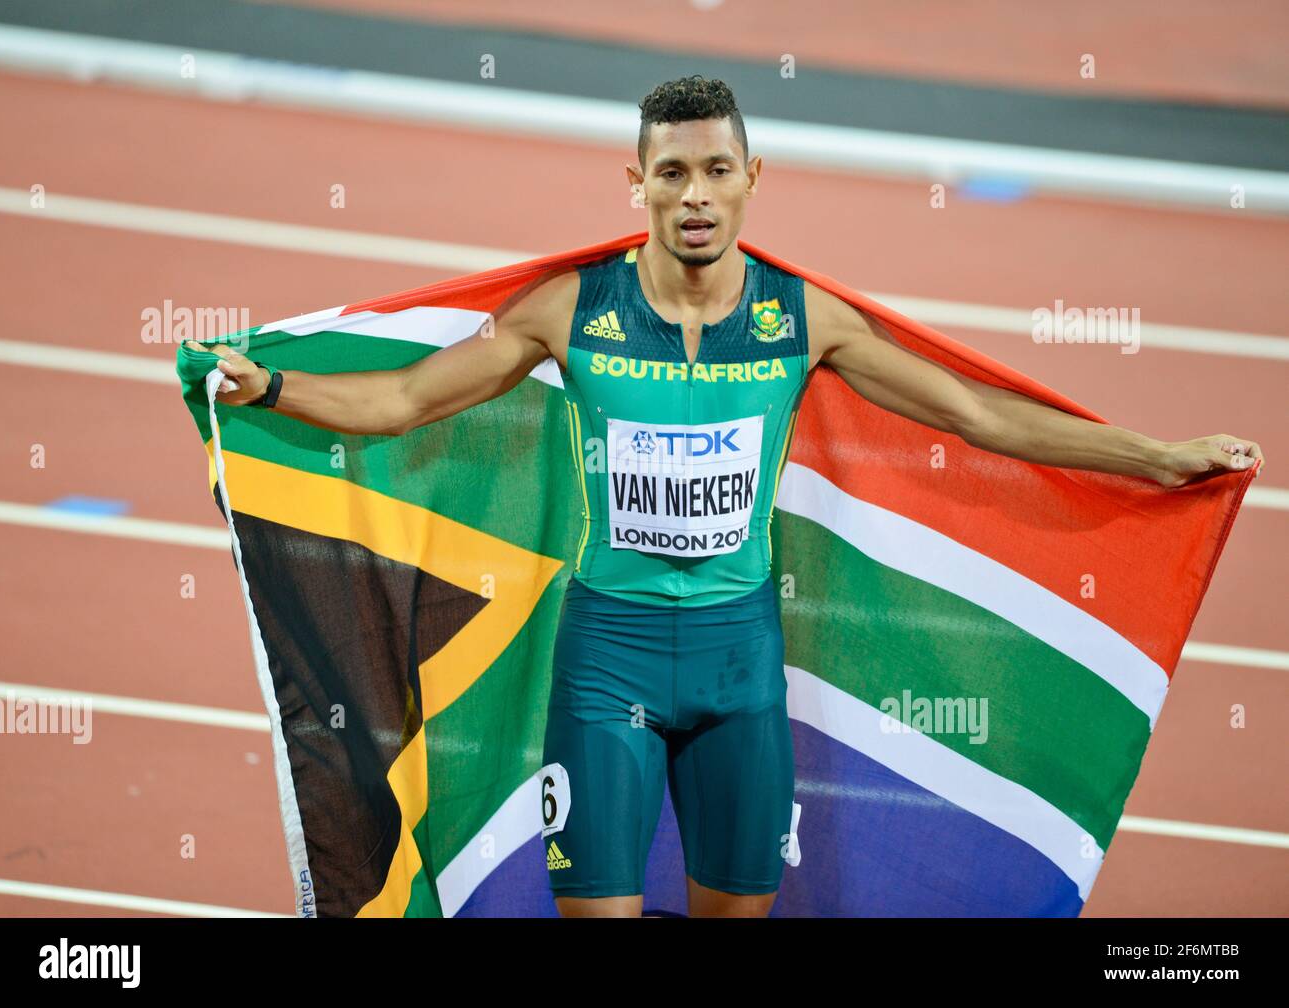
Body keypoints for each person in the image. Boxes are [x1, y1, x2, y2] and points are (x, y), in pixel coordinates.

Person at [188, 75, 1263, 919]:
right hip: (605, 660)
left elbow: (975, 418)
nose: (692, 195)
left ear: (754, 177)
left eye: (713, 171)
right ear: (635, 184)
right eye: (669, 175)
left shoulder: (805, 322)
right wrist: (272, 386)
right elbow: (410, 399)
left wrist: (1155, 457)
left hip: (741, 667)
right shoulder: (570, 310)